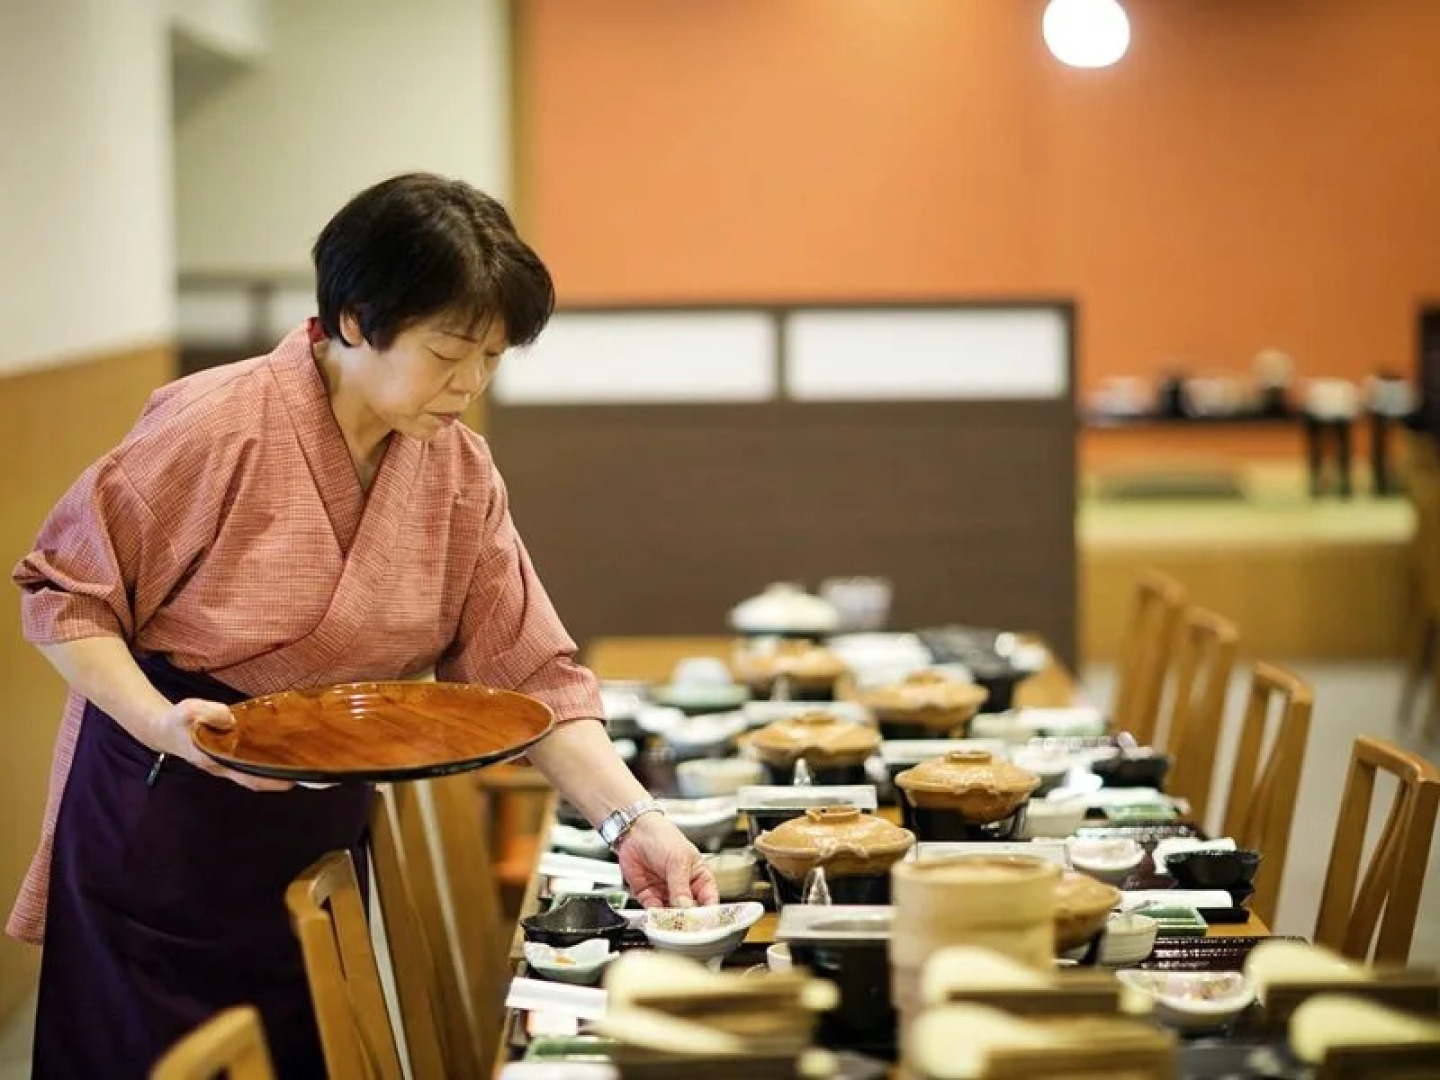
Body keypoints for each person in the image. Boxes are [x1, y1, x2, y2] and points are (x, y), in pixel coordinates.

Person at [8, 172, 716, 1079]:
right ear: (353, 320)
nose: (469, 383)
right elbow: (65, 596)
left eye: (493, 357)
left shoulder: (458, 470)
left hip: (319, 821)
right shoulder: (217, 425)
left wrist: (634, 823)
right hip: (166, 805)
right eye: (447, 351)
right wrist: (160, 724)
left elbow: (533, 674)